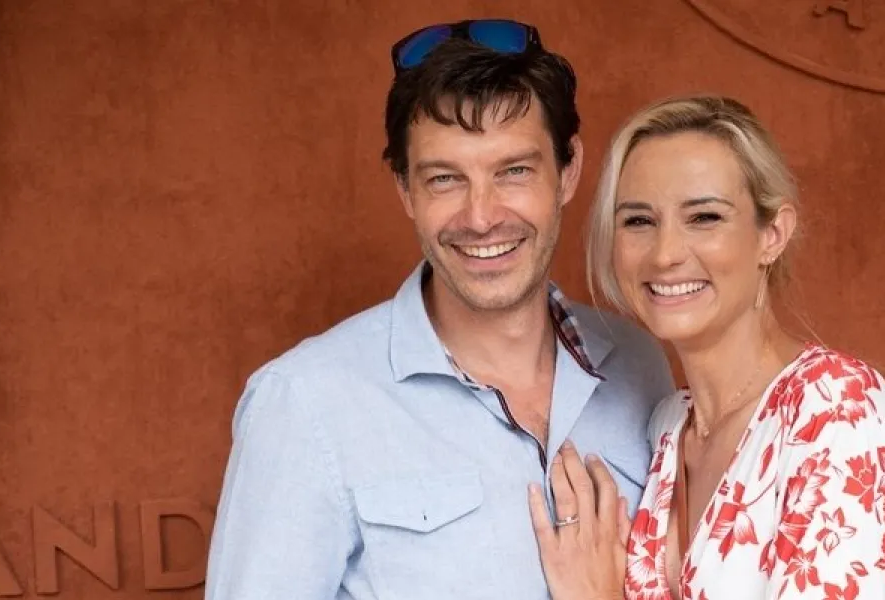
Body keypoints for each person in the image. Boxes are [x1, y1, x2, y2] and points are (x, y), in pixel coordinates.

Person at [203, 19, 675, 599]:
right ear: (405, 189)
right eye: (445, 179)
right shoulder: (302, 405)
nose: (481, 217)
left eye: (514, 171)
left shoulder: (640, 364)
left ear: (568, 170)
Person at [527, 95, 885, 599]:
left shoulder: (835, 407)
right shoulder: (668, 425)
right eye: (639, 221)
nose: (665, 254)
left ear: (771, 234)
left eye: (704, 217)